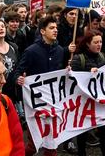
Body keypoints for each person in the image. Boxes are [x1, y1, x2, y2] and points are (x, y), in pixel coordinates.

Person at [16, 16, 75, 156]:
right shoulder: (31, 51)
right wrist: (19, 79)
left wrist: (67, 71)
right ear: (42, 31)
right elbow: (18, 71)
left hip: (53, 104)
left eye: (56, 28)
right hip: (35, 105)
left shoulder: (60, 50)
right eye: (51, 28)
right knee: (33, 144)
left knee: (51, 145)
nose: (55, 30)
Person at [70, 30, 105, 156]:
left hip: (100, 101)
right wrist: (88, 73)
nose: (99, 44)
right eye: (96, 42)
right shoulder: (79, 59)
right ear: (88, 44)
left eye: (100, 42)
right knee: (83, 132)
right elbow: (72, 81)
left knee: (104, 133)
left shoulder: (103, 57)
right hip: (84, 103)